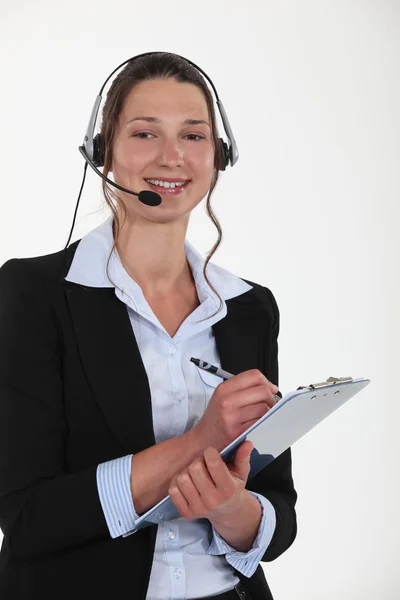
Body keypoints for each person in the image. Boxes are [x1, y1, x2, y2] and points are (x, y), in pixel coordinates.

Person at [0, 51, 297, 600]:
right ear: (103, 153)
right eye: (144, 133)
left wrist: (233, 511)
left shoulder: (250, 307)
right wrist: (200, 443)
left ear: (219, 155)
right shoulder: (32, 294)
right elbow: (29, 519)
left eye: (193, 135)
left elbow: (276, 509)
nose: (171, 156)